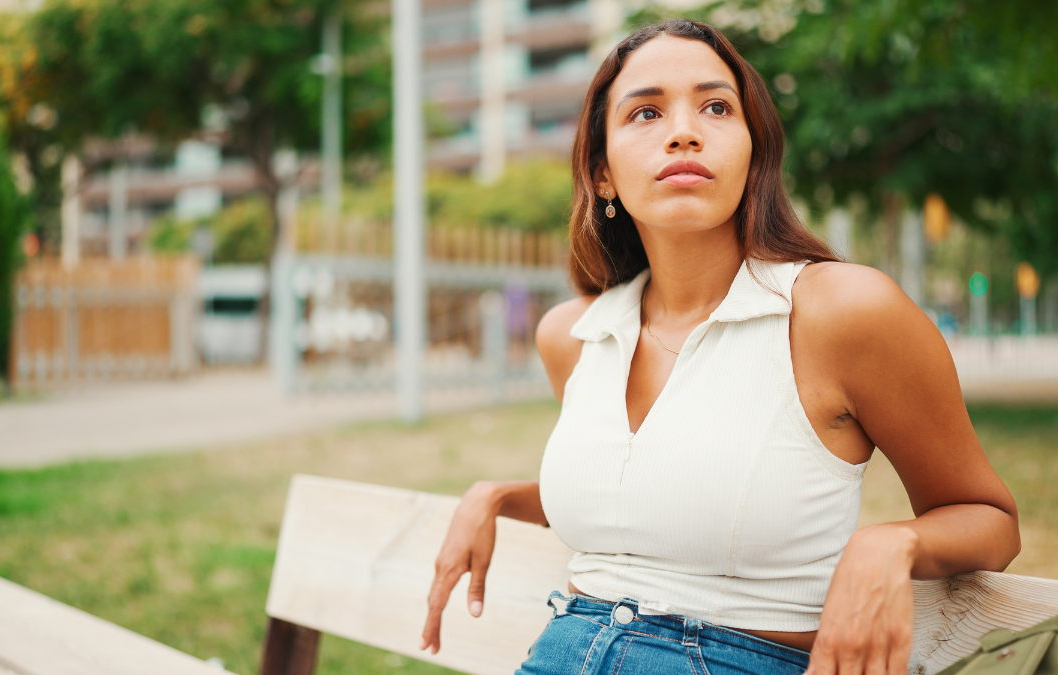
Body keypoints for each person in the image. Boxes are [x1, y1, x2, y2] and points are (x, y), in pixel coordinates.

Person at [421, 18, 1020, 675]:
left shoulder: (843, 312)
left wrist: (891, 542)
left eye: (715, 106)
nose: (683, 130)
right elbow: (649, 491)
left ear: (752, 152)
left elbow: (990, 518)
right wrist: (500, 496)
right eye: (646, 111)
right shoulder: (573, 334)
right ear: (602, 174)